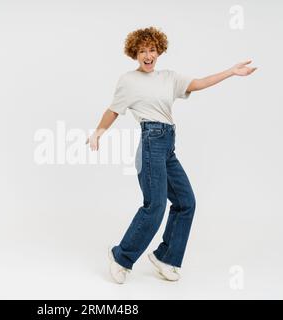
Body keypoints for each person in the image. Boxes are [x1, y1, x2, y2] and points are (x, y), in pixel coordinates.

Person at [86, 26, 257, 284]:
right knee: (154, 207)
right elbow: (113, 110)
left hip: (167, 146)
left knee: (186, 202)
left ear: (159, 51)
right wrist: (98, 132)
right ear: (135, 53)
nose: (148, 55)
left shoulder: (169, 77)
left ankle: (165, 257)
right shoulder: (128, 81)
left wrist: (231, 72)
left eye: (152, 49)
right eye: (142, 50)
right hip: (150, 143)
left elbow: (198, 83)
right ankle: (121, 257)